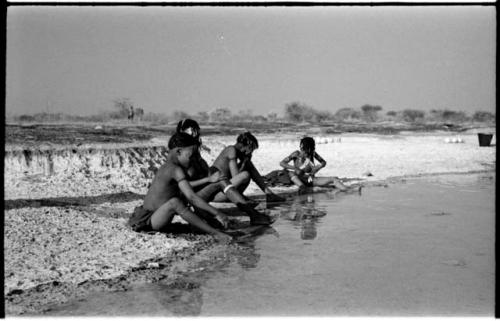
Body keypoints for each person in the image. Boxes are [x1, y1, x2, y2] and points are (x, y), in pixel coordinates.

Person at [128, 132, 231, 242]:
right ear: (179, 151)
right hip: (147, 221)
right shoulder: (174, 169)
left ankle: (210, 225)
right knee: (175, 203)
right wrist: (217, 212)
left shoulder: (168, 166)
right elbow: (192, 197)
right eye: (190, 156)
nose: (192, 160)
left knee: (182, 197)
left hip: (155, 216)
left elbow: (189, 197)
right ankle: (215, 233)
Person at [176, 120, 274, 225]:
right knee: (223, 179)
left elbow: (205, 174)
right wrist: (208, 179)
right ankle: (254, 215)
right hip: (191, 197)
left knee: (221, 177)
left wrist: (210, 176)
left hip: (202, 193)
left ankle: (253, 211)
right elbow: (181, 185)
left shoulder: (194, 154)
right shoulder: (180, 156)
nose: (196, 135)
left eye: (197, 132)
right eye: (193, 132)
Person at [210, 132, 285, 203]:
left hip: (225, 190)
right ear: (248, 146)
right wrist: (245, 162)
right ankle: (269, 194)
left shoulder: (236, 152)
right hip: (218, 194)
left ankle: (269, 194)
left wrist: (246, 162)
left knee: (249, 165)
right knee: (246, 173)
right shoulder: (231, 150)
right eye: (252, 149)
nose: (251, 152)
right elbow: (236, 177)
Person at [279, 136, 352, 194]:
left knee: (333, 179)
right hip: (298, 179)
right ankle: (302, 187)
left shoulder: (312, 154)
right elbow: (282, 163)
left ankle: (349, 191)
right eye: (305, 149)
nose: (305, 151)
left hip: (310, 179)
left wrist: (318, 168)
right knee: (290, 172)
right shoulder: (296, 154)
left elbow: (323, 162)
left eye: (307, 149)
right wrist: (295, 168)